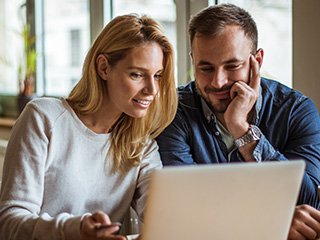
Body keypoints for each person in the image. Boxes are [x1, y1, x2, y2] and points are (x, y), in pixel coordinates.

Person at [0, 14, 177, 240]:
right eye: (137, 74)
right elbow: (9, 223)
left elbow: (165, 217)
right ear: (104, 68)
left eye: (158, 76)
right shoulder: (44, 118)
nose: (152, 89)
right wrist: (77, 229)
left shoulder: (141, 146)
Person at [156, 3, 320, 240]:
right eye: (205, 68)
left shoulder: (296, 110)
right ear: (193, 61)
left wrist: (241, 128)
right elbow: (185, 207)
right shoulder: (174, 111)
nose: (218, 81)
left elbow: (309, 202)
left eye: (232, 66)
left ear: (257, 60)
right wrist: (275, 219)